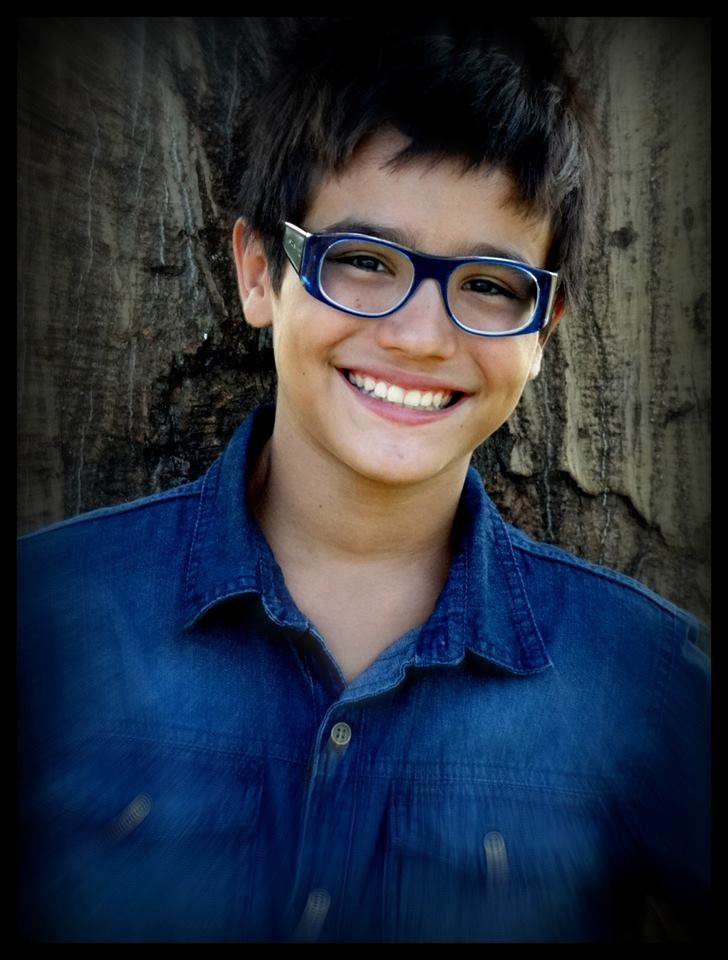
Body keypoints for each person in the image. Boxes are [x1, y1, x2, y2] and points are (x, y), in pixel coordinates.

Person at [17, 17, 710, 943]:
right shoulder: (48, 621)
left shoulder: (636, 676)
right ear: (258, 274)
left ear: (543, 332)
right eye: (363, 262)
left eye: (489, 284)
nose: (421, 336)